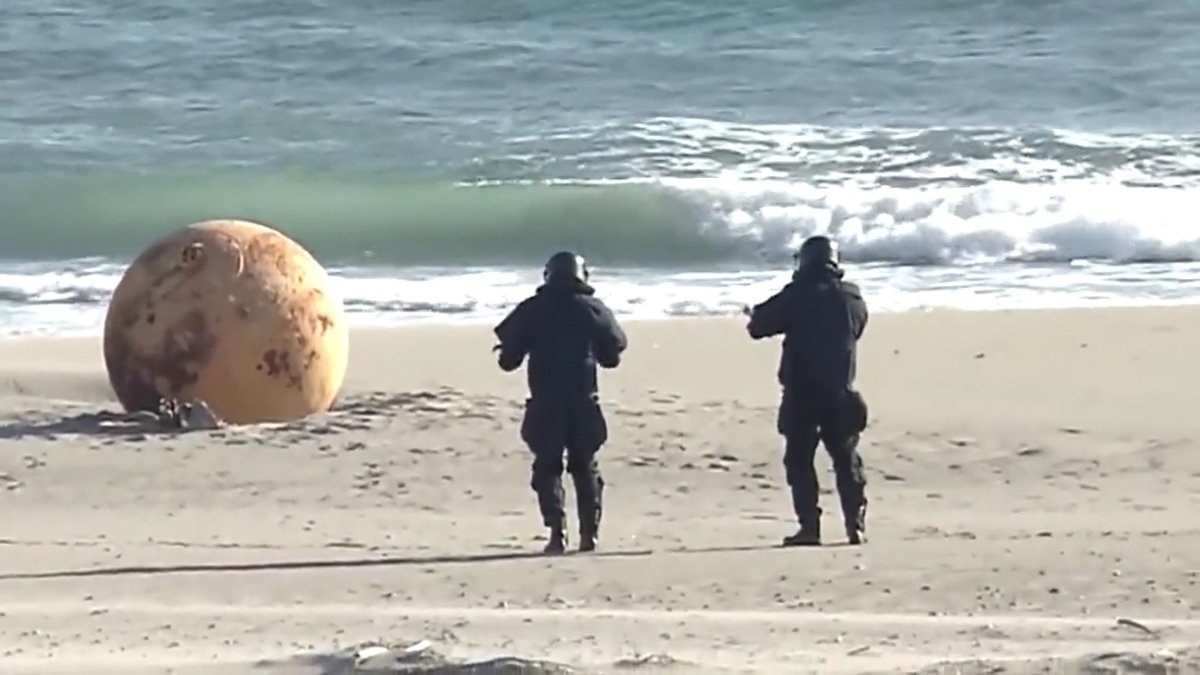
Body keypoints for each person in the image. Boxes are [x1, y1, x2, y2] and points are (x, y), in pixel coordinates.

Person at [493, 251, 628, 554]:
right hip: (584, 402)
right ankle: (589, 535)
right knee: (585, 467)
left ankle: (557, 533)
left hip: (545, 403)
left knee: (547, 468)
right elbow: (612, 358)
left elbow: (508, 362)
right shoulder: (593, 310)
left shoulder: (532, 310)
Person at [745, 235, 870, 546]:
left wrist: (754, 313)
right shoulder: (853, 299)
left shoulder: (798, 294)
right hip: (841, 393)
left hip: (801, 394)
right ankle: (855, 526)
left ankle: (809, 528)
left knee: (799, 461)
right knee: (846, 460)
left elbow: (759, 326)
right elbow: (856, 328)